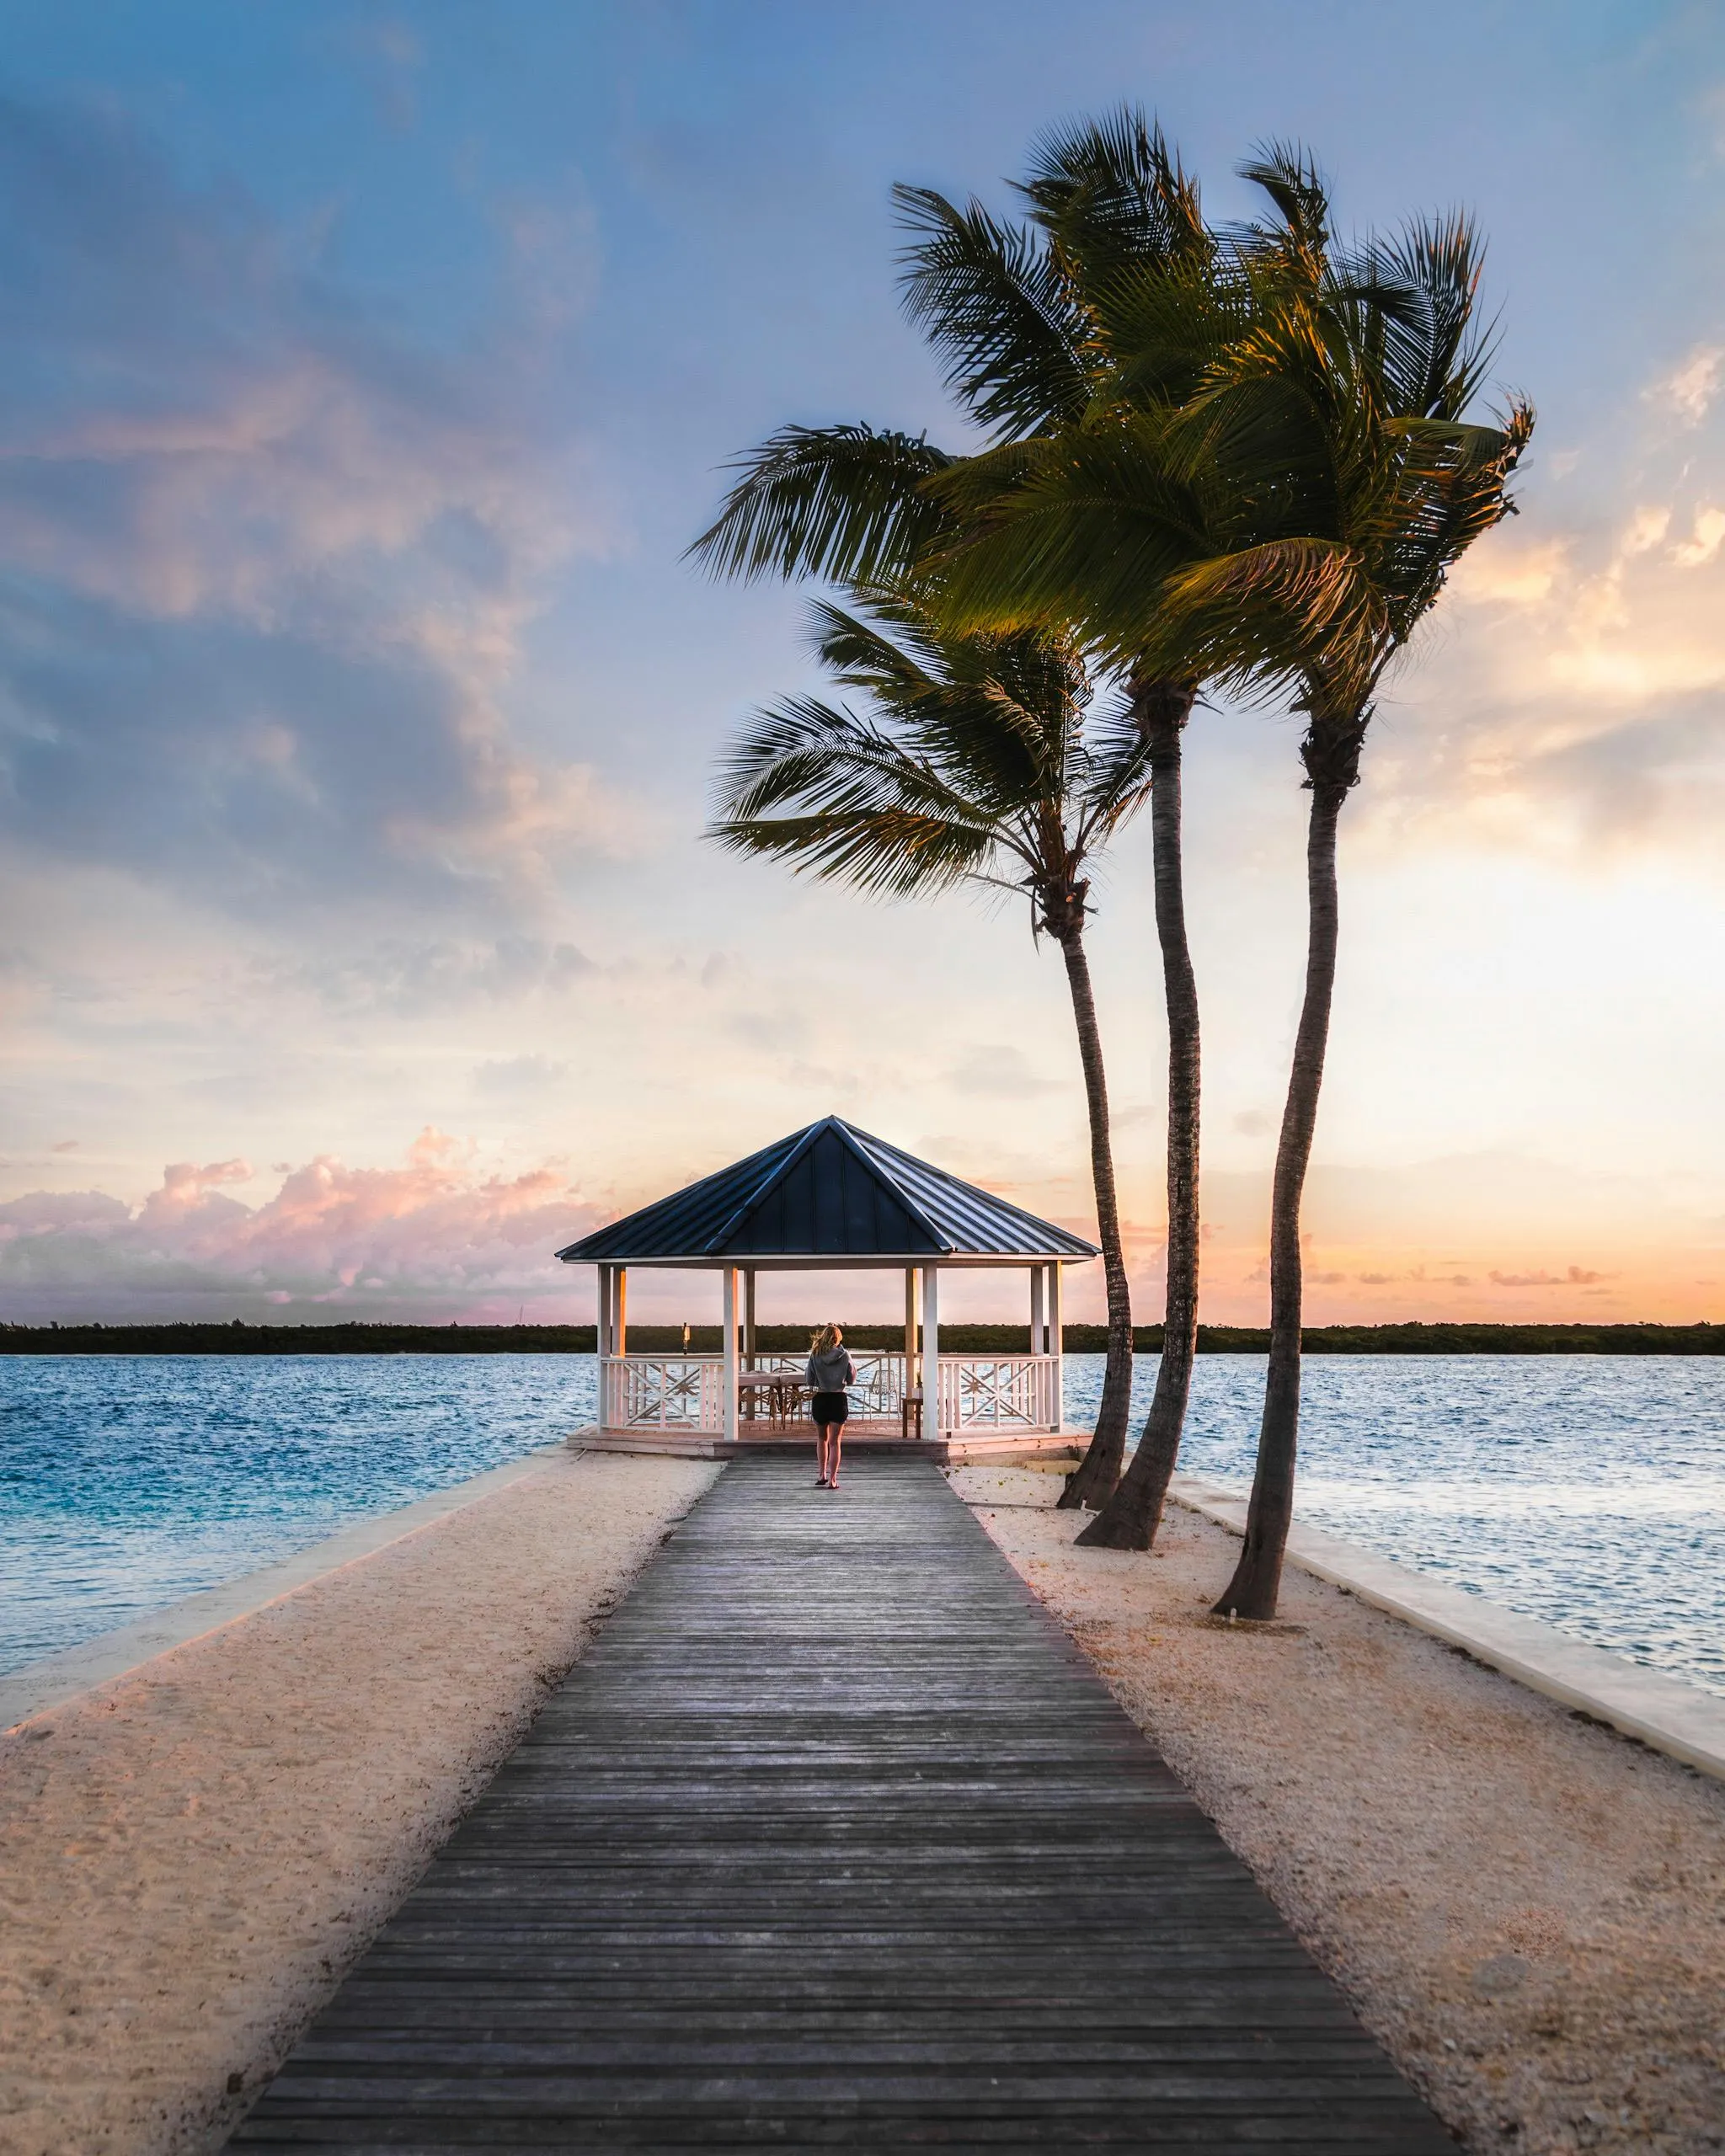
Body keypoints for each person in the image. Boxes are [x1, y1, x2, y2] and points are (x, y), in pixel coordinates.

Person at [805, 1321, 856, 1488]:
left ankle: (822, 1474)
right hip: (838, 1399)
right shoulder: (845, 1355)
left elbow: (809, 1380)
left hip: (821, 1398)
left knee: (822, 1438)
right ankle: (833, 1480)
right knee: (835, 1442)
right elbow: (852, 1379)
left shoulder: (815, 1354)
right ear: (838, 1338)